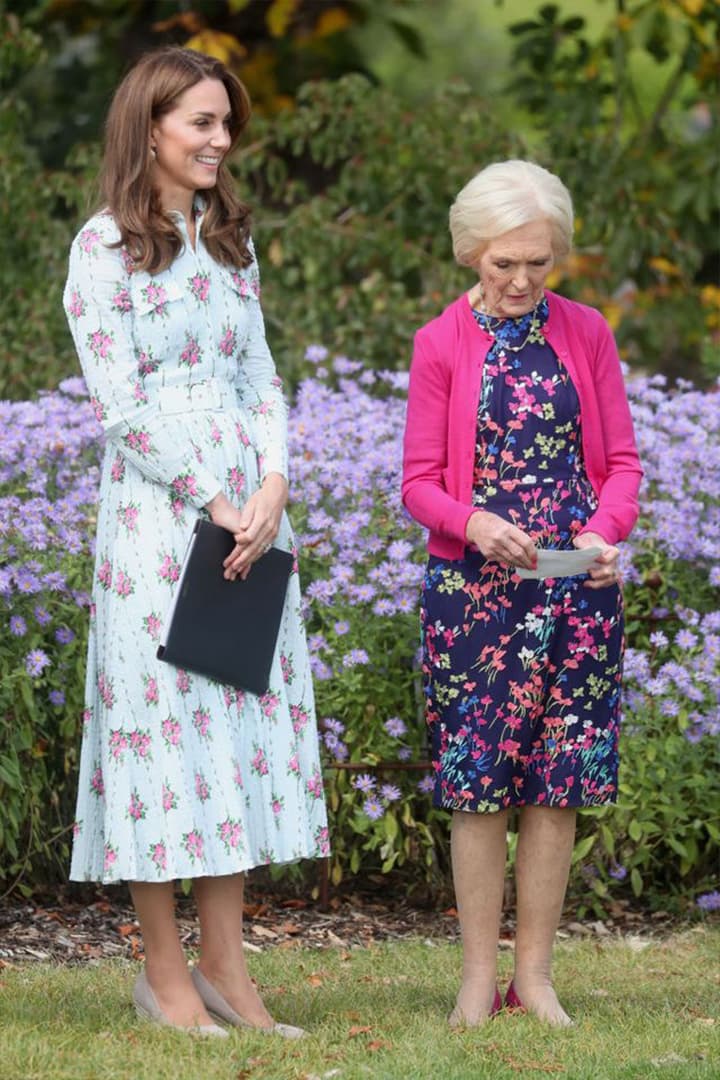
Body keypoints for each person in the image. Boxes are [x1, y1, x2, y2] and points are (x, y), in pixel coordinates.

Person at [63, 46, 328, 1037]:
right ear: (152, 129)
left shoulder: (228, 242)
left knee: (235, 737)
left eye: (226, 124)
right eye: (202, 124)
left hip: (251, 517)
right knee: (161, 744)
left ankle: (228, 969)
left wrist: (270, 485)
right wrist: (208, 494)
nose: (221, 141)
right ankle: (166, 978)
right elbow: (121, 408)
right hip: (158, 518)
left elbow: (260, 376)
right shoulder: (104, 248)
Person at [402, 160, 642, 1028]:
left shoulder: (587, 333)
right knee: (477, 787)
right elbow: (419, 482)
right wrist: (473, 524)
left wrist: (603, 536)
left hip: (575, 594)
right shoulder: (441, 343)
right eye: (504, 262)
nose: (521, 280)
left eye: (538, 261)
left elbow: (622, 466)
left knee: (557, 784)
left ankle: (534, 978)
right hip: (474, 594)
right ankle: (476, 979)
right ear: (472, 251)